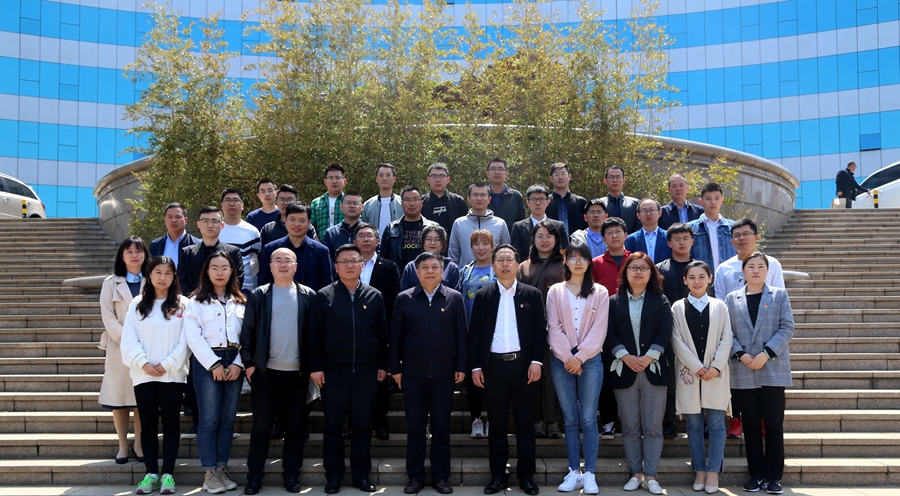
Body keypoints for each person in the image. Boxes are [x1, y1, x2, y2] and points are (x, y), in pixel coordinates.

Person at [309, 244, 389, 494]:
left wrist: (382, 365)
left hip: (366, 372)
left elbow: (382, 334)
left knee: (362, 425)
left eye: (354, 261)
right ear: (336, 267)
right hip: (333, 372)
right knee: (333, 426)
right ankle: (333, 477)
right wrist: (316, 367)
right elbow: (313, 335)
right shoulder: (323, 296)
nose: (350, 265)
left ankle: (361, 476)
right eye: (344, 262)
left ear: (362, 265)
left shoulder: (374, 296)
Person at [469, 244, 546, 496]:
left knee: (525, 425)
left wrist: (536, 361)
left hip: (524, 367)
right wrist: (476, 366)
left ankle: (526, 476)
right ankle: (498, 475)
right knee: (497, 425)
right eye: (500, 260)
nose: (504, 264)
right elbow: (475, 333)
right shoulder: (484, 296)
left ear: (517, 264)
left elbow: (540, 330)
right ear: (493, 266)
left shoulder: (531, 294)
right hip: (493, 368)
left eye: (509, 259)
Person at [239, 247, 317, 495]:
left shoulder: (308, 295)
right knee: (261, 428)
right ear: (270, 267)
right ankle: (254, 478)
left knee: (296, 429)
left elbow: (314, 336)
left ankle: (291, 476)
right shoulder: (259, 295)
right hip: (265, 373)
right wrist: (249, 365)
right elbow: (247, 333)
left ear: (296, 266)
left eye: (288, 260)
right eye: (278, 261)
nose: (283, 264)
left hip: (298, 375)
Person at [390, 251, 468, 495]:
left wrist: (461, 366)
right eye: (425, 267)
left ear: (442, 271)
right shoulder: (404, 298)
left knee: (441, 428)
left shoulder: (454, 298)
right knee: (415, 428)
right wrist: (396, 369)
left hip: (445, 375)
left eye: (435, 266)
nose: (430, 271)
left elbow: (462, 337)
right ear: (417, 271)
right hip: (413, 374)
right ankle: (415, 476)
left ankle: (441, 476)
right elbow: (395, 337)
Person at [726, 252, 794, 495]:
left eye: (760, 266)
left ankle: (774, 477)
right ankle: (756, 475)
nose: (755, 270)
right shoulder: (731, 299)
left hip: (772, 367)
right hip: (743, 368)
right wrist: (740, 353)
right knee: (751, 425)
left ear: (768, 270)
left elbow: (787, 327)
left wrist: (766, 353)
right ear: (743, 271)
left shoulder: (779, 295)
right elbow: (726, 332)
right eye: (751, 266)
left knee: (774, 424)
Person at [120, 256, 190, 496]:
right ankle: (151, 474)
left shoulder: (183, 304)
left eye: (168, 273)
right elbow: (129, 338)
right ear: (149, 275)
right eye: (158, 272)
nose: (162, 277)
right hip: (144, 375)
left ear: (174, 276)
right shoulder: (138, 304)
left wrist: (168, 364)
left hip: (173, 375)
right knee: (147, 424)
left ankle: (168, 474)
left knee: (171, 424)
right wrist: (143, 363)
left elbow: (186, 341)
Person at [605, 252, 672, 495]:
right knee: (631, 426)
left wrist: (649, 356)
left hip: (653, 368)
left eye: (644, 268)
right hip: (625, 369)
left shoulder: (660, 300)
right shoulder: (614, 301)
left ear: (651, 272)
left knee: (653, 426)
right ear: (625, 272)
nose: (638, 272)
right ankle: (636, 474)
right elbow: (609, 333)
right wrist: (626, 356)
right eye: (633, 267)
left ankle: (651, 475)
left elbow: (665, 330)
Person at [546, 241, 609, 495]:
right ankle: (574, 471)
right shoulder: (555, 291)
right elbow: (553, 327)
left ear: (589, 261)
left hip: (590, 360)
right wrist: (568, 357)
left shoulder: (600, 292)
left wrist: (580, 357)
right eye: (573, 258)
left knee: (589, 418)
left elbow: (599, 329)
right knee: (570, 418)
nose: (578, 262)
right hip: (561, 360)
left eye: (583, 258)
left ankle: (590, 473)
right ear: (566, 261)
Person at [184, 252, 247, 494]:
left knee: (228, 419)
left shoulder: (241, 301)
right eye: (215, 268)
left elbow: (248, 336)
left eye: (225, 268)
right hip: (207, 361)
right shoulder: (195, 302)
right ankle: (209, 472)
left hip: (235, 361)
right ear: (207, 272)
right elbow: (193, 338)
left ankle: (221, 468)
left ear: (232, 271)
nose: (220, 272)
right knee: (209, 419)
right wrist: (214, 365)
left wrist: (238, 363)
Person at [670, 261, 732, 495]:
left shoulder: (720, 306)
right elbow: (677, 340)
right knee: (694, 425)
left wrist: (716, 366)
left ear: (710, 279)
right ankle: (700, 470)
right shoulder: (678, 307)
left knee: (716, 424)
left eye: (702, 276)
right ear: (685, 280)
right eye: (692, 277)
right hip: (689, 373)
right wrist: (696, 367)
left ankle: (714, 471)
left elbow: (727, 337)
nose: (697, 281)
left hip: (716, 373)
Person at [99, 237, 149, 465]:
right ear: (122, 256)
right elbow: (108, 316)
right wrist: (127, 339)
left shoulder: (152, 280)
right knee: (119, 398)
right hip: (119, 347)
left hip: (147, 347)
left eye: (138, 251)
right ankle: (122, 445)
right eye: (129, 251)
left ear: (145, 255)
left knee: (141, 399)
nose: (134, 256)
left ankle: (139, 443)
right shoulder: (111, 283)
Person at [516, 221, 566, 439]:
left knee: (553, 376)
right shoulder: (523, 267)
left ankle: (553, 422)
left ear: (556, 240)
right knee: (532, 375)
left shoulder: (565, 265)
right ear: (533, 240)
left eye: (549, 236)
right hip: (529, 329)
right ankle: (536, 420)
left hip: (559, 329)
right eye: (540, 236)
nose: (544, 240)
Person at [354, 223, 402, 441]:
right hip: (352, 331)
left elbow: (393, 299)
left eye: (369, 236)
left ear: (377, 241)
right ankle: (356, 425)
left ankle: (379, 423)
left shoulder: (389, 267)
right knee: (354, 383)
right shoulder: (348, 264)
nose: (365, 239)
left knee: (379, 380)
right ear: (355, 241)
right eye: (361, 236)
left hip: (379, 331)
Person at [590, 217, 631, 440]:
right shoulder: (595, 263)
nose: (614, 236)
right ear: (603, 238)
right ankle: (608, 420)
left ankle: (630, 418)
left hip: (632, 322)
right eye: (609, 233)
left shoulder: (636, 259)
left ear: (626, 235)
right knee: (606, 373)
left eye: (618, 231)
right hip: (603, 324)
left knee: (630, 370)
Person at [655, 222, 696, 439]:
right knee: (670, 376)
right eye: (677, 239)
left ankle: (698, 420)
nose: (682, 242)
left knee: (696, 374)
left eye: (685, 238)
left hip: (697, 331)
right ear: (669, 243)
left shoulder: (699, 268)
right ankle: (669, 420)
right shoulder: (660, 269)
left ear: (692, 241)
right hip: (669, 331)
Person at [457, 229, 497, 439]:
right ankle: (476, 419)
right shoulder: (465, 271)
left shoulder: (498, 269)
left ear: (492, 247)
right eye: (476, 244)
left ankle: (492, 419)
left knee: (493, 379)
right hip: (470, 331)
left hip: (494, 333)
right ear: (471, 247)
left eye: (485, 243)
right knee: (475, 377)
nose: (481, 248)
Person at [257, 201, 333, 291]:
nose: (296, 224)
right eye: (292, 219)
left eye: (302, 220)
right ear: (286, 221)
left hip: (311, 299)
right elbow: (262, 284)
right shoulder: (270, 249)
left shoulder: (321, 251)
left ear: (309, 223)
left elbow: (327, 287)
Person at [177, 206, 245, 296]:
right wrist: (195, 300)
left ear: (222, 225)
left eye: (214, 221)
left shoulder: (233, 252)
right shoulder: (187, 253)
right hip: (193, 301)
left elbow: (237, 280)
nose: (210, 225)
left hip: (225, 301)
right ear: (198, 224)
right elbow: (181, 281)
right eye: (205, 221)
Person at [715, 219, 786, 300]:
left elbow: (779, 297)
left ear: (756, 238)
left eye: (746, 233)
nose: (741, 238)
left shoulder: (772, 263)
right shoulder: (723, 268)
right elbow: (720, 301)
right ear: (732, 242)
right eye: (737, 235)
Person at [448, 182, 511, 268]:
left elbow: (506, 252)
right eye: (475, 195)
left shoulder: (500, 224)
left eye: (483, 195)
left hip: (494, 274)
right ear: (468, 199)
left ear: (489, 199)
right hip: (466, 274)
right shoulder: (459, 223)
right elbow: (453, 252)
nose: (479, 198)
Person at [381, 186, 439, 269]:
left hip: (427, 274)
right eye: (407, 200)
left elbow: (441, 256)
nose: (411, 203)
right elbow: (384, 259)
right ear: (402, 203)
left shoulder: (433, 227)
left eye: (415, 199)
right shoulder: (391, 228)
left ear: (422, 203)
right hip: (398, 275)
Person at [511, 184, 569, 263]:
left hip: (554, 267)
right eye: (533, 199)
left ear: (548, 202)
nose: (538, 203)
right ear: (527, 202)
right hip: (527, 268)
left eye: (541, 199)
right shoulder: (518, 227)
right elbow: (517, 255)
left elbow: (564, 252)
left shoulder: (559, 226)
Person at [220, 188, 261, 294]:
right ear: (222, 205)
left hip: (244, 288)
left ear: (242, 205)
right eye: (227, 200)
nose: (231, 204)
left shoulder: (252, 231)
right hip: (216, 288)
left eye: (236, 200)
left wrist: (247, 276)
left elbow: (256, 260)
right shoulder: (214, 229)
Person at [688, 183, 735, 272]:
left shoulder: (732, 227)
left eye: (717, 198)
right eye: (708, 199)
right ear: (701, 201)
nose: (713, 202)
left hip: (728, 276)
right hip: (701, 278)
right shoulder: (691, 228)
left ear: (722, 200)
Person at [400, 224, 460, 291]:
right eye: (428, 239)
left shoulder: (452, 268)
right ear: (423, 242)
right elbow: (404, 294)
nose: (433, 243)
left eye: (437, 239)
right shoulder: (411, 267)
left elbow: (455, 295)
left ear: (443, 244)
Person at [422, 163, 468, 241]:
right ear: (428, 179)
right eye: (434, 176)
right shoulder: (421, 202)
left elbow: (465, 228)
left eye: (442, 176)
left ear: (448, 179)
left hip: (453, 246)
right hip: (429, 246)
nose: (438, 180)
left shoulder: (458, 201)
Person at [149, 202, 200, 268]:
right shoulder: (155, 245)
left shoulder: (196, 244)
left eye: (178, 217)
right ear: (165, 220)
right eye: (170, 217)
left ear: (186, 220)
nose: (173, 220)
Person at [361, 163, 403, 238]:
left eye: (388, 175)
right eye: (381, 175)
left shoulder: (402, 203)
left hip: (397, 244)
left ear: (394, 178)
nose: (384, 178)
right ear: (376, 179)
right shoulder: (368, 205)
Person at [624, 198, 672, 264]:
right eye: (644, 211)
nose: (648, 214)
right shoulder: (631, 239)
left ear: (659, 213)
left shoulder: (669, 236)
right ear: (638, 215)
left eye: (652, 210)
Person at [546, 162, 588, 234]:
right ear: (551, 178)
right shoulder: (545, 202)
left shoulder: (581, 202)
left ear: (569, 176)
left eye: (563, 174)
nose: (560, 177)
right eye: (556, 174)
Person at [485, 158, 526, 230]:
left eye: (500, 169)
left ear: (506, 173)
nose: (497, 172)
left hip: (510, 237)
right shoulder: (481, 196)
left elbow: (521, 224)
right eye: (493, 169)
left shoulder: (515, 196)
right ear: (487, 173)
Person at [320, 190, 363, 260]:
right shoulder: (331, 233)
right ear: (341, 206)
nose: (352, 206)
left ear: (362, 207)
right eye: (348, 203)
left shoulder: (369, 232)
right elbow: (326, 258)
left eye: (355, 203)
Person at [309, 163, 348, 236]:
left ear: (344, 181)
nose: (334, 181)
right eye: (330, 178)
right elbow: (310, 226)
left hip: (345, 242)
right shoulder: (316, 203)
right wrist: (317, 242)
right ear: (325, 181)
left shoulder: (350, 202)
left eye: (338, 178)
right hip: (321, 242)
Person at [599, 165, 639, 233]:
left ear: (624, 180)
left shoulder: (635, 204)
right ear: (605, 181)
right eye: (611, 177)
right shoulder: (599, 204)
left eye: (618, 177)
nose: (615, 180)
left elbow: (640, 226)